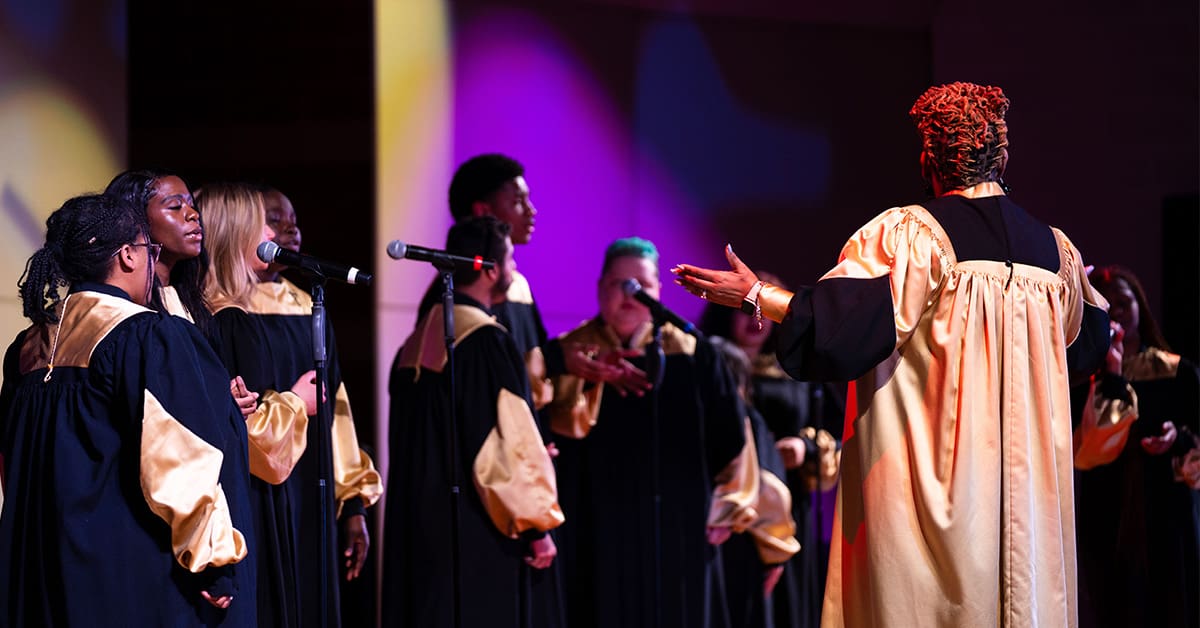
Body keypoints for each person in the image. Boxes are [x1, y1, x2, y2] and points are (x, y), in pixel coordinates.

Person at [673, 82, 1112, 627]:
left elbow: (840, 328)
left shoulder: (911, 236)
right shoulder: (1057, 253)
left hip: (935, 500)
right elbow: (1091, 341)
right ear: (1002, 154)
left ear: (930, 157)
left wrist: (757, 295)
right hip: (1028, 508)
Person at [0, 193, 256, 626]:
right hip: (123, 574)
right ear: (127, 256)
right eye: (149, 250)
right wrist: (214, 563)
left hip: (40, 569)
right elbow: (178, 463)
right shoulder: (146, 336)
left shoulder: (27, 347)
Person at [199, 182, 383, 628]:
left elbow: (335, 408)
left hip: (310, 481)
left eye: (292, 221)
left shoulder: (306, 304)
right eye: (273, 221)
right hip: (258, 482)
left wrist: (353, 501)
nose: (288, 231)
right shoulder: (216, 313)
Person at [546, 236, 748, 628]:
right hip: (592, 519)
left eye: (640, 286)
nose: (628, 295)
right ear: (599, 288)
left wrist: (730, 503)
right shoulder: (569, 353)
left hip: (678, 520)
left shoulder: (693, 353)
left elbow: (733, 436)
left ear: (658, 292)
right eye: (617, 284)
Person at [383, 215, 563, 627]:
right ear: (492, 269)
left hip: (420, 532)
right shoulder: (484, 341)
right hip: (475, 532)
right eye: (512, 261)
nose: (515, 271)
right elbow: (504, 443)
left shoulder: (413, 344)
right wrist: (535, 524)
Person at [700, 284, 844, 628]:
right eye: (746, 310)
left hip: (786, 501)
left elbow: (836, 431)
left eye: (763, 311)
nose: (755, 320)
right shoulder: (710, 363)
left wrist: (805, 447)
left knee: (782, 604)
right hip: (728, 499)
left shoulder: (795, 370)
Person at [1075, 265, 1199, 628]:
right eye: (1106, 304)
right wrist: (1110, 376)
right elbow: (1084, 451)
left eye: (1124, 302)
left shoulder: (1176, 371)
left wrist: (1179, 439)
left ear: (1139, 307)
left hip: (1165, 508)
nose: (1116, 311)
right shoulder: (1083, 379)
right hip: (1108, 508)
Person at [104, 169, 260, 417]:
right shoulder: (125, 311)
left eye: (191, 205)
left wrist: (228, 400)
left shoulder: (190, 303)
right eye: (175, 206)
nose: (193, 215)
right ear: (135, 220)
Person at [707, 335, 802, 628]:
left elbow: (771, 489)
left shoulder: (745, 420)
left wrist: (774, 555)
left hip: (742, 546)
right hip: (723, 545)